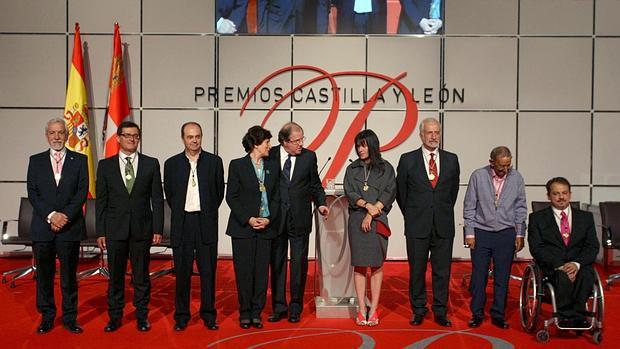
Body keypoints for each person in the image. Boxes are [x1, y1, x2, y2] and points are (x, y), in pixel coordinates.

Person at [96, 121, 164, 332]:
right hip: (115, 230)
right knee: (115, 278)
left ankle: (142, 316)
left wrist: (158, 228)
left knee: (141, 277)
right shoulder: (105, 165)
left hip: (142, 230)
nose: (132, 139)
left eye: (135, 136)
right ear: (118, 138)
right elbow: (101, 202)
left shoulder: (151, 163)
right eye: (127, 135)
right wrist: (101, 231)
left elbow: (157, 199)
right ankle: (115, 317)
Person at [396, 117, 460, 327]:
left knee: (442, 272)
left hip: (443, 224)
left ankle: (440, 311)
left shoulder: (452, 159)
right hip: (417, 224)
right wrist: (413, 214)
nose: (434, 136)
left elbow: (452, 193)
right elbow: (401, 194)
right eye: (430, 133)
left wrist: (439, 210)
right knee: (417, 271)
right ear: (421, 135)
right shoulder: (407, 159)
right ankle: (419, 309)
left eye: (437, 132)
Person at [27, 118, 88, 334]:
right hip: (43, 229)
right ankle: (47, 316)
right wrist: (52, 216)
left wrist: (64, 217)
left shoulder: (79, 160)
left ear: (67, 135)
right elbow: (33, 193)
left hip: (69, 228)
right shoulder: (35, 161)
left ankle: (70, 318)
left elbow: (82, 192)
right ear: (46, 136)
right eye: (52, 133)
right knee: (44, 276)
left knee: (69, 276)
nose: (57, 137)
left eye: (61, 132)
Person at [164, 122, 224, 331]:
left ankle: (208, 314)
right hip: (183, 224)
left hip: (205, 222)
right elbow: (170, 195)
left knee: (208, 272)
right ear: (183, 139)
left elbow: (218, 194)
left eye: (198, 136)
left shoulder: (214, 162)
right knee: (182, 273)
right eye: (190, 137)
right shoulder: (171, 164)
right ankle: (181, 316)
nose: (194, 140)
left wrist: (205, 211)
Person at [268, 122, 328, 323]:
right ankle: (278, 306)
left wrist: (321, 204)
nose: (301, 143)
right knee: (277, 263)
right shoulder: (271, 154)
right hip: (276, 220)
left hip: (300, 219)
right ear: (284, 142)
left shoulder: (309, 157)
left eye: (303, 139)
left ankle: (295, 307)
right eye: (296, 140)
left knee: (298, 265)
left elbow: (315, 184)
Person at [463, 146, 527, 329]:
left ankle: (498, 314)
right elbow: (469, 206)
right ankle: (477, 313)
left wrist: (520, 233)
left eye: (508, 165)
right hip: (482, 233)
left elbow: (521, 207)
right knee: (479, 276)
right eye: (501, 166)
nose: (505, 170)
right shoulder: (478, 176)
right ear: (491, 163)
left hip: (506, 233)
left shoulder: (517, 178)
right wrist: (470, 233)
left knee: (502, 277)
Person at [226, 126, 280, 329]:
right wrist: (248, 218)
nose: (270, 146)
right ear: (256, 144)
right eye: (267, 142)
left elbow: (276, 196)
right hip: (243, 228)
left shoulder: (272, 166)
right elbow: (231, 196)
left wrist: (269, 218)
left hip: (266, 227)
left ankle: (256, 311)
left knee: (261, 273)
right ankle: (245, 311)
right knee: (244, 271)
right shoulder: (237, 165)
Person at [528, 177, 600, 329]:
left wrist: (576, 264)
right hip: (553, 266)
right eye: (556, 193)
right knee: (562, 276)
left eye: (564, 193)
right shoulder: (537, 218)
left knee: (587, 274)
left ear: (570, 194)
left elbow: (592, 246)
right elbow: (536, 247)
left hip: (579, 264)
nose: (561, 197)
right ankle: (566, 316)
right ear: (548, 196)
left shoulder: (585, 217)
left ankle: (579, 315)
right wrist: (559, 265)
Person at [344, 129, 396, 326]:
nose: (360, 149)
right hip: (357, 220)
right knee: (359, 264)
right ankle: (361, 309)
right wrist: (366, 207)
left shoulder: (386, 168)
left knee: (375, 265)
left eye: (363, 145)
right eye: (358, 145)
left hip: (378, 219)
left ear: (372, 145)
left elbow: (390, 191)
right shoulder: (352, 169)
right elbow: (350, 192)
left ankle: (373, 310)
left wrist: (372, 212)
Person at [258, 0, 331, 34]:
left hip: (304, 27)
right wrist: (263, 34)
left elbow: (322, 3)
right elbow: (262, 3)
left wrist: (320, 33)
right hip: (275, 25)